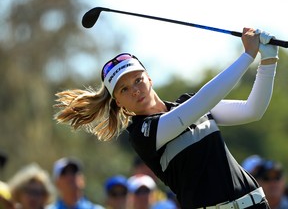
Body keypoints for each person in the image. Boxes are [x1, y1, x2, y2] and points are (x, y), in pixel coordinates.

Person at [54, 28, 279, 208]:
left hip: (257, 204)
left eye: (137, 80)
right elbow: (199, 104)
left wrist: (268, 60)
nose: (134, 90)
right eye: (123, 90)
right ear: (119, 103)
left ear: (149, 78)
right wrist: (248, 56)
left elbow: (252, 110)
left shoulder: (187, 104)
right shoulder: (143, 133)